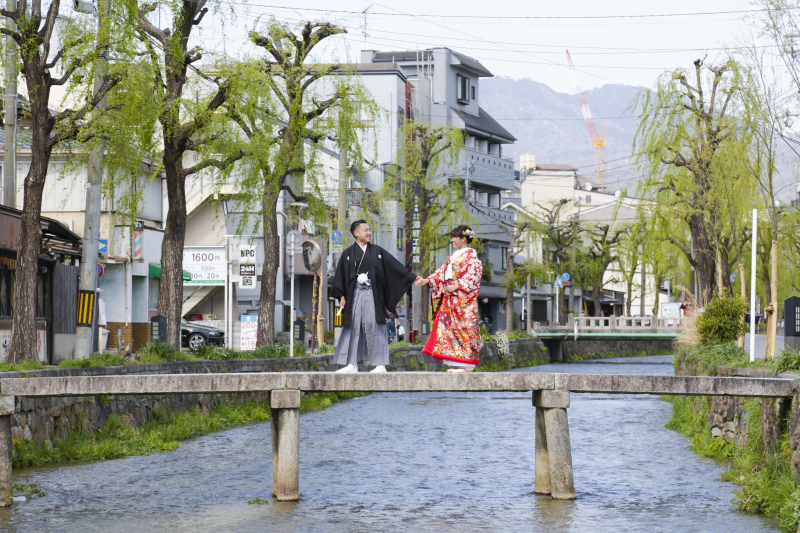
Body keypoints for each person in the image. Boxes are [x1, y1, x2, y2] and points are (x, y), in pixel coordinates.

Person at [331, 220, 420, 373]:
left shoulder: (377, 251)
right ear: (356, 233)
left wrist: (412, 277)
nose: (369, 232)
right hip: (354, 295)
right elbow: (341, 276)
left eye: (369, 230)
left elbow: (394, 266)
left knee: (376, 327)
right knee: (353, 326)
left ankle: (380, 364)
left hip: (373, 294)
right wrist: (341, 296)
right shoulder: (347, 254)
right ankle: (352, 364)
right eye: (365, 230)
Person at [415, 225, 483, 373]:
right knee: (450, 330)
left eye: (454, 237)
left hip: (462, 301)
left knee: (464, 328)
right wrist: (427, 280)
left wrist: (457, 285)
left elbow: (473, 277)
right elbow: (441, 272)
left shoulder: (472, 257)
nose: (452, 240)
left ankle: (468, 363)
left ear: (463, 238)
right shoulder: (452, 256)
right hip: (450, 300)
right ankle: (458, 361)